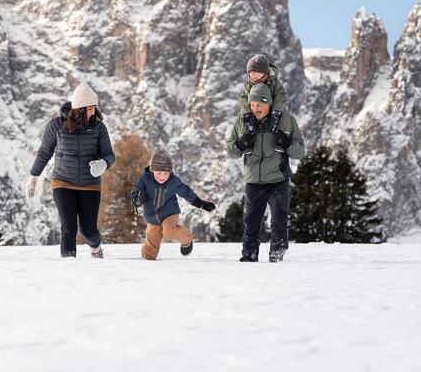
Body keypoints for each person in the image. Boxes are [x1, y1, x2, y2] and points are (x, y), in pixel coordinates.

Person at [25, 83, 114, 258]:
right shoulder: (56, 126)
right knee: (68, 227)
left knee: (88, 230)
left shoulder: (98, 128)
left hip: (90, 185)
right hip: (62, 181)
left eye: (94, 107)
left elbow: (109, 154)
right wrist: (34, 175)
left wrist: (103, 163)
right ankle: (68, 265)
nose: (93, 112)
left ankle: (95, 247)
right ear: (79, 109)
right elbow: (44, 152)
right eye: (89, 108)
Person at [225, 83, 305, 262]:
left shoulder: (286, 120)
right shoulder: (243, 120)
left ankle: (277, 256)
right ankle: (248, 256)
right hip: (254, 182)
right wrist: (240, 144)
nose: (255, 109)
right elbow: (230, 150)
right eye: (252, 105)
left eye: (259, 104)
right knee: (251, 222)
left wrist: (287, 143)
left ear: (269, 103)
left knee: (279, 219)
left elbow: (300, 152)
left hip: (278, 180)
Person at [130, 149, 216, 260]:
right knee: (150, 248)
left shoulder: (173, 181)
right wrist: (136, 199)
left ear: (170, 172)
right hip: (151, 216)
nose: (162, 176)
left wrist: (201, 204)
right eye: (159, 173)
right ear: (152, 170)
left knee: (169, 232)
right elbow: (137, 190)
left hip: (169, 213)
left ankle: (187, 239)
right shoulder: (145, 179)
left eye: (166, 173)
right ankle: (147, 261)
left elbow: (186, 192)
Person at [236, 53, 291, 155]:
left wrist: (276, 112)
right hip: (255, 110)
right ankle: (248, 142)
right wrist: (248, 113)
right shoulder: (249, 84)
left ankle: (280, 141)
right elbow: (244, 98)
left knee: (280, 120)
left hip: (271, 108)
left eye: (256, 72)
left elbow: (280, 96)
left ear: (265, 73)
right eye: (251, 73)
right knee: (245, 121)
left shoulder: (273, 82)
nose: (253, 75)